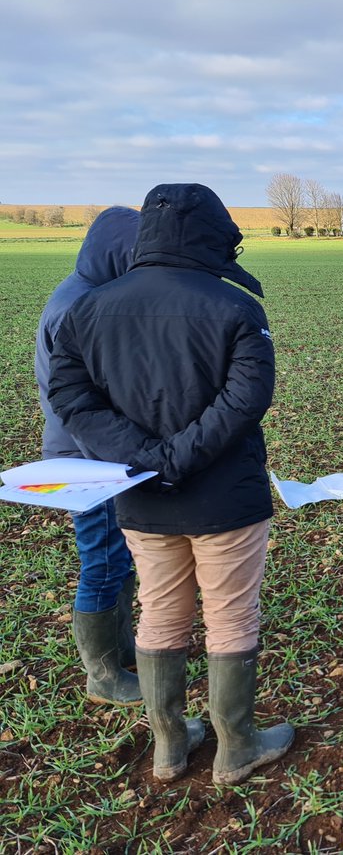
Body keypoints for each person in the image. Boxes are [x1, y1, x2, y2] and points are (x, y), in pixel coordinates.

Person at [49, 183, 293, 784]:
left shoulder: (88, 309)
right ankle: (236, 747)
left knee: (159, 612)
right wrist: (176, 456)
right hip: (225, 498)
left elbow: (70, 399)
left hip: (140, 499)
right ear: (213, 234)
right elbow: (247, 399)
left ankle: (169, 745)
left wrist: (145, 459)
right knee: (231, 615)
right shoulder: (236, 307)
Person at [35, 206, 142, 708]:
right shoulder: (76, 306)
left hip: (96, 456)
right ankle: (102, 675)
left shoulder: (85, 292)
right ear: (116, 254)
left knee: (116, 557)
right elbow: (79, 398)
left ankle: (121, 651)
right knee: (101, 559)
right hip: (83, 462)